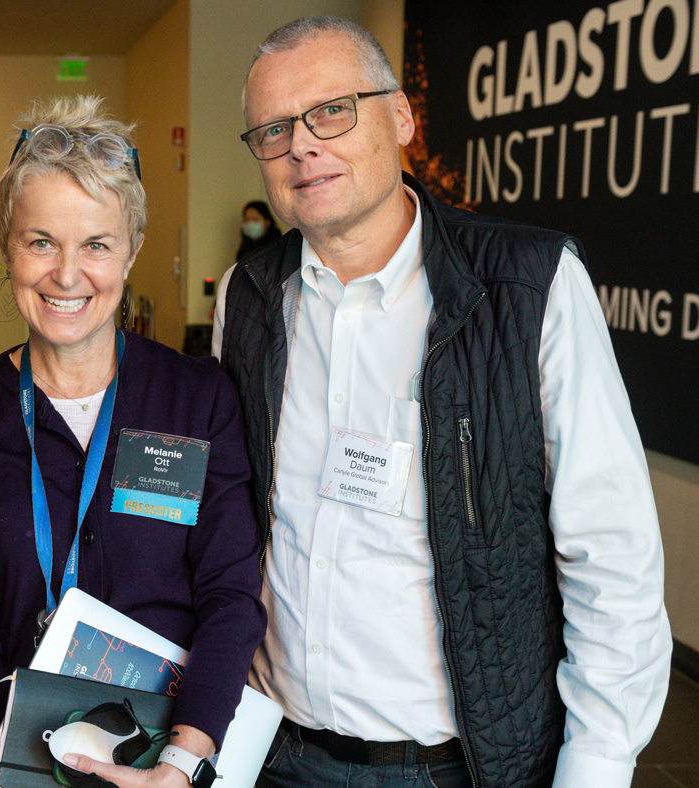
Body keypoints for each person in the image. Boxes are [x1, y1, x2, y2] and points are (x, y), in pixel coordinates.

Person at [213, 16, 671, 788]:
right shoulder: (249, 295)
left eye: (331, 111)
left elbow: (611, 552)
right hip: (274, 754)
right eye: (273, 128)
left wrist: (595, 766)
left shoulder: (529, 286)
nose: (302, 145)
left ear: (400, 116)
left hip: (457, 768)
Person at [0, 96, 265, 788]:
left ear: (133, 249)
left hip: (183, 756)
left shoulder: (198, 399)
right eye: (41, 241)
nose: (68, 274)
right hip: (21, 759)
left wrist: (182, 760)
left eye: (97, 244)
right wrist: (21, 765)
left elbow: (230, 595)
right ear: (7, 245)